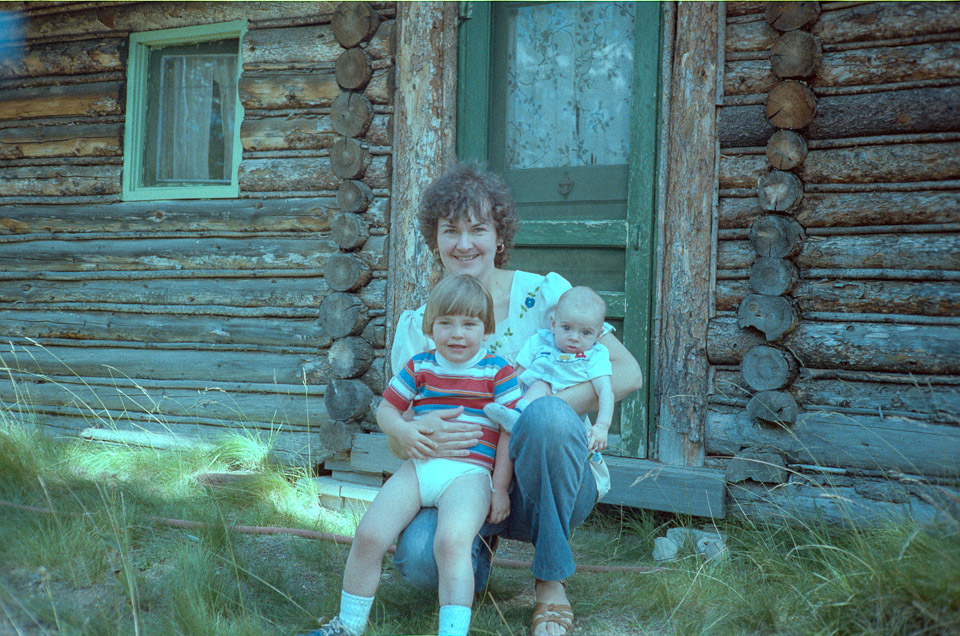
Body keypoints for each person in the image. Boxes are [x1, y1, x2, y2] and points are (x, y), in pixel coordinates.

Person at [387, 163, 643, 636]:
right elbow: (398, 430)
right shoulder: (426, 322)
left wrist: (532, 414)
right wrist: (406, 432)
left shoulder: (546, 295)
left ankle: (550, 583)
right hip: (460, 482)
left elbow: (628, 372)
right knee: (421, 563)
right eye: (451, 231)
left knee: (545, 417)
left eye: (478, 229)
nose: (465, 244)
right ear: (434, 239)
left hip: (539, 477)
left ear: (499, 235)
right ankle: (473, 554)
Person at [306, 274, 523, 636]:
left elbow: (507, 433)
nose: (457, 334)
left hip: (469, 476)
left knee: (450, 543)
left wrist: (499, 487)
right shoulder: (420, 366)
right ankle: (347, 626)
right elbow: (386, 411)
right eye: (446, 323)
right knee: (370, 534)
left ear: (486, 330)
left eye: (469, 324)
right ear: (429, 327)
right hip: (418, 468)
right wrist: (406, 431)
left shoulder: (497, 372)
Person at [484, 285, 615, 454]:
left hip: (566, 417)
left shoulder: (595, 355)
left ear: (598, 335)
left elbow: (605, 390)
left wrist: (602, 426)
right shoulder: (539, 342)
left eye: (585, 332)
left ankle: (518, 419)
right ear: (553, 325)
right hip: (528, 404)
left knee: (541, 386)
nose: (574, 338)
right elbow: (518, 375)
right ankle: (515, 417)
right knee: (538, 384)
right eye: (566, 328)